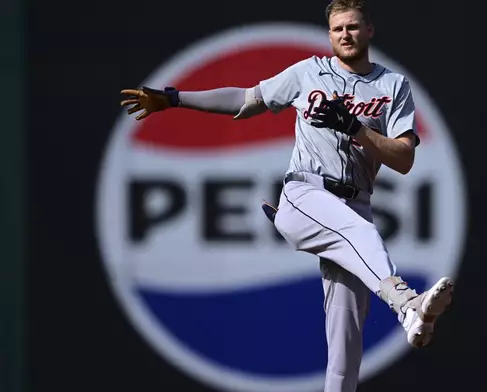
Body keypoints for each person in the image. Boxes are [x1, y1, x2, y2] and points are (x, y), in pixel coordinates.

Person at [120, 0, 453, 390]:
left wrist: (357, 129)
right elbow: (245, 100)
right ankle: (407, 304)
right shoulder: (308, 72)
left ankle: (401, 318)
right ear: (329, 35)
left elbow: (404, 160)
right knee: (359, 234)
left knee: (346, 338)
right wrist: (176, 99)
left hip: (355, 202)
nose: (345, 34)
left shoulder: (393, 86)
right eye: (337, 28)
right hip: (304, 193)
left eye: (353, 26)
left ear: (369, 30)